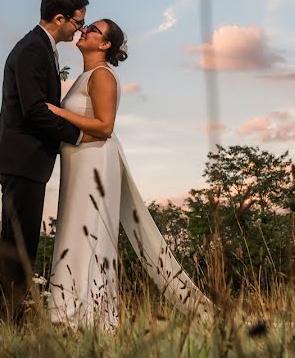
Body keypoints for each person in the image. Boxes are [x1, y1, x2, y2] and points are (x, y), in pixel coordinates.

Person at [45, 18, 210, 330]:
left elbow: (105, 126)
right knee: (72, 231)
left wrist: (57, 112)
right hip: (79, 161)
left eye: (93, 29)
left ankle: (91, 318)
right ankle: (68, 313)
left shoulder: (103, 76)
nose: (85, 30)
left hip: (94, 160)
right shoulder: (86, 76)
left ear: (105, 45)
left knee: (89, 232)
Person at [0, 0, 98, 315]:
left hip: (23, 159)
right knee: (20, 245)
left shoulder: (41, 47)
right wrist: (78, 136)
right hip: (22, 159)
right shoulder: (32, 49)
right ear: (60, 17)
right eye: (78, 22)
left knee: (16, 243)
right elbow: (34, 110)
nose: (79, 29)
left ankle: (5, 314)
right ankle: (9, 316)